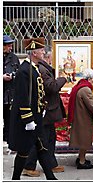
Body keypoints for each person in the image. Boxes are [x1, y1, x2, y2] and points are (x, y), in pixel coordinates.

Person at [8, 37, 57, 180]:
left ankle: (51, 177)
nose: (43, 52)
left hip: (36, 117)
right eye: (41, 50)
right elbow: (23, 97)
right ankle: (15, 178)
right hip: (28, 120)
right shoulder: (24, 71)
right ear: (34, 52)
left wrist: (42, 109)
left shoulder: (33, 68)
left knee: (42, 148)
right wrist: (28, 119)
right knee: (24, 151)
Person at [23, 49, 67, 177]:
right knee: (41, 139)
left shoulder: (45, 68)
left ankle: (51, 164)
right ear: (49, 57)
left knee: (50, 138)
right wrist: (63, 79)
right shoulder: (42, 69)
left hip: (49, 110)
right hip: (45, 110)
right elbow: (51, 87)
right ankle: (28, 166)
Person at [3, 35, 20, 144]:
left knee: (10, 118)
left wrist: (13, 75)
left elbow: (19, 72)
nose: (10, 48)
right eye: (8, 45)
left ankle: (8, 138)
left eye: (11, 45)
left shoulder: (14, 57)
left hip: (10, 94)